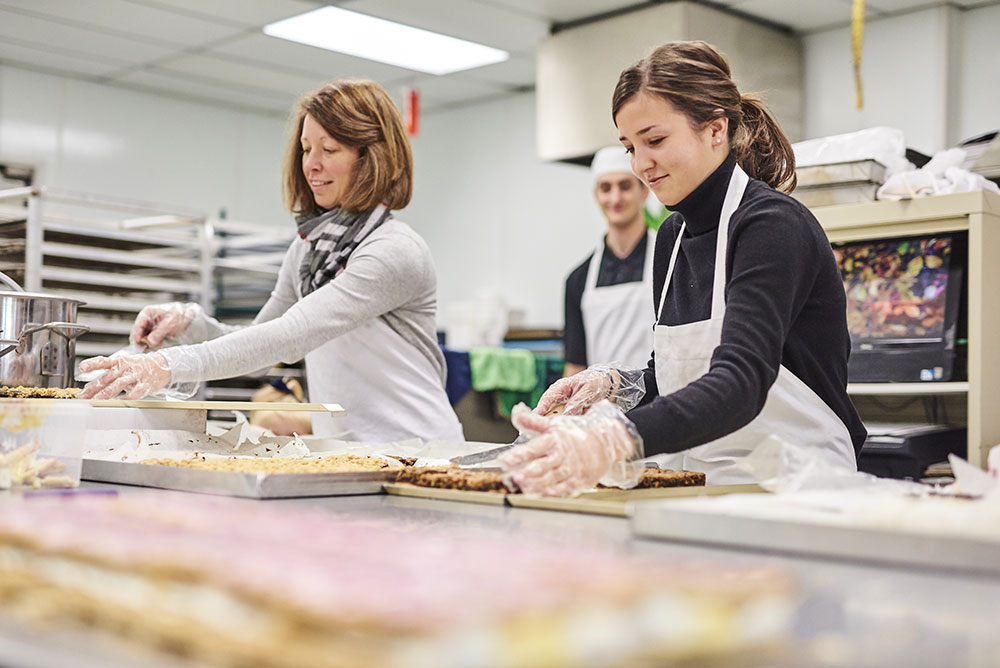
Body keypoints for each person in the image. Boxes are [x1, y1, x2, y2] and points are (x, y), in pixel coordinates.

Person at [502, 41, 866, 495]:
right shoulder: (672, 239)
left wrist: (618, 438)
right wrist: (614, 384)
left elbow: (742, 381)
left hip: (794, 487)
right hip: (700, 485)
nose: (640, 165)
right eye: (630, 146)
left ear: (716, 129)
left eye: (654, 141)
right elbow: (673, 375)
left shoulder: (772, 228)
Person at [79, 79, 464, 443]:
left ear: (371, 159)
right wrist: (193, 325)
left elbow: (290, 336)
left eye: (329, 150)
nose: (311, 164)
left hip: (421, 449)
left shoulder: (394, 250)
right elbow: (260, 352)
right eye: (306, 148)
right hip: (353, 452)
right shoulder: (310, 249)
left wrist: (166, 365)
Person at [563, 146, 654, 377]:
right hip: (602, 410)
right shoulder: (578, 279)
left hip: (662, 405)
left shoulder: (670, 261)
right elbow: (575, 367)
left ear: (644, 192)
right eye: (606, 188)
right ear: (596, 196)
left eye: (625, 186)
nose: (615, 198)